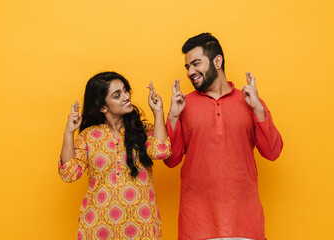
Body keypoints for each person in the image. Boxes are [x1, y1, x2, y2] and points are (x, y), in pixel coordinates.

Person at [165, 33, 283, 240]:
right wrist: (173, 116)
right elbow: (171, 160)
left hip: (245, 223)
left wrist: (257, 107)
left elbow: (272, 152)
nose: (190, 72)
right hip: (197, 224)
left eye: (195, 64)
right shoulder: (184, 105)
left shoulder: (249, 99)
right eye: (187, 67)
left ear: (217, 61)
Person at [58, 71, 171, 240]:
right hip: (97, 228)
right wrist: (69, 132)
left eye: (126, 91)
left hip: (143, 228)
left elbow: (161, 151)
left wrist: (158, 111)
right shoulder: (89, 136)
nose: (126, 96)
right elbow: (69, 173)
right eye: (117, 95)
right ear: (103, 107)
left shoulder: (143, 130)